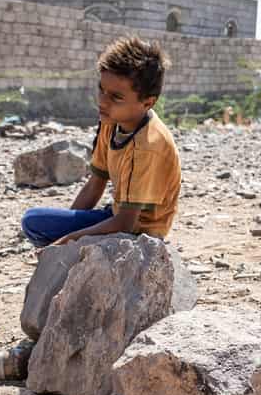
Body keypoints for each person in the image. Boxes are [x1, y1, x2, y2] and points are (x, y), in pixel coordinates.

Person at [21, 37, 181, 248]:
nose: (102, 101)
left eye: (116, 97)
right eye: (101, 90)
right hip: (116, 215)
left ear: (148, 102)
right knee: (35, 220)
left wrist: (68, 240)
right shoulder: (111, 120)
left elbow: (126, 222)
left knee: (37, 223)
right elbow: (95, 186)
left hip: (141, 233)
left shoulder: (147, 147)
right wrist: (69, 232)